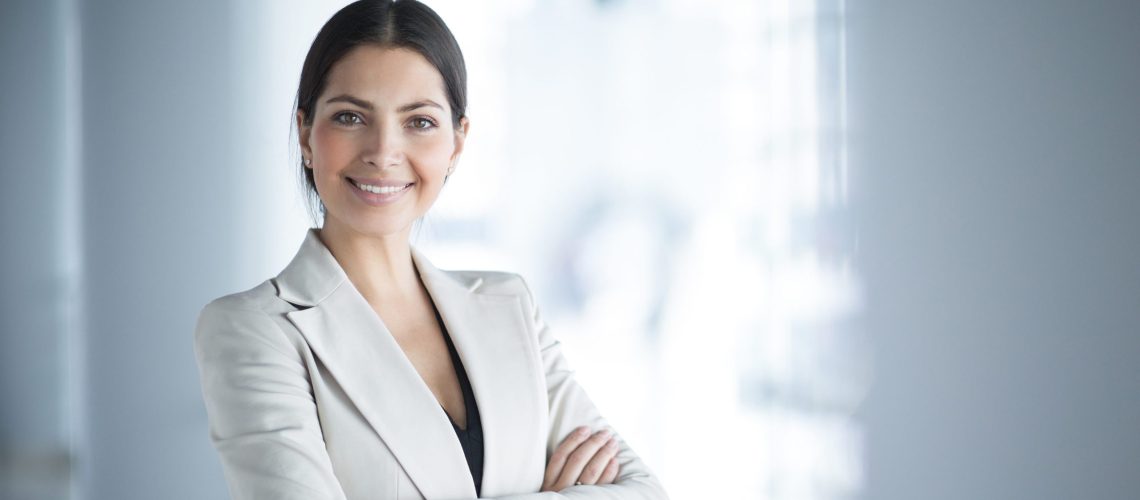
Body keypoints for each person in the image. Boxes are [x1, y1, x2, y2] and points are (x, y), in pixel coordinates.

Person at [192, 1, 668, 498]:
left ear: (456, 145)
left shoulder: (510, 306)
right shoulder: (254, 331)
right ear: (306, 133)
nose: (383, 151)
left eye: (418, 122)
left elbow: (642, 491)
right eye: (351, 116)